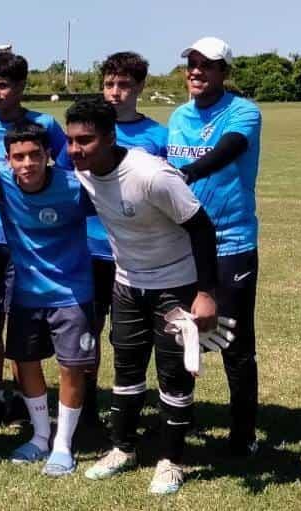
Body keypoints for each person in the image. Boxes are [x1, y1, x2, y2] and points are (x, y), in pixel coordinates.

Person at [66, 98, 219, 495]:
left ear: (110, 136)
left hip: (176, 285)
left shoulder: (151, 175)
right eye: (70, 140)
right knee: (127, 369)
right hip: (127, 284)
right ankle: (123, 449)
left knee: (173, 375)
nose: (75, 149)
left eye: (85, 140)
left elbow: (202, 228)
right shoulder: (82, 172)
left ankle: (171, 461)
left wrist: (205, 294)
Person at [167, 37, 263, 457]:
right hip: (183, 244)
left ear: (225, 72)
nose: (196, 71)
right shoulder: (177, 116)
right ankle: (179, 423)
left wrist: (184, 173)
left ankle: (243, 435)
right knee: (182, 332)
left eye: (207, 65)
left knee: (234, 342)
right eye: (191, 64)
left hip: (231, 242)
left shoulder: (244, 111)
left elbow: (229, 150)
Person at [0, 51, 71, 422]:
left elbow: (68, 172)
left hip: (27, 242)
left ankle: (27, 399)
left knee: (24, 323)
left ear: (21, 86)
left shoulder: (44, 125)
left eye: (3, 85)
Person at [0, 123, 96, 476]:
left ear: (48, 155)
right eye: (18, 157)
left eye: (35, 155)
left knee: (72, 367)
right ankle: (40, 437)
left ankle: (64, 444)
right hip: (25, 293)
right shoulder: (1, 184)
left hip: (72, 293)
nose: (27, 163)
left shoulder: (74, 187)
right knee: (25, 363)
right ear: (8, 161)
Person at [84, 51, 170, 424]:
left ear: (139, 88)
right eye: (109, 84)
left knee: (128, 339)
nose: (114, 92)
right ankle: (85, 406)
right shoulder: (86, 131)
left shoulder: (158, 136)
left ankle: (127, 409)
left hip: (137, 256)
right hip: (90, 249)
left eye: (123, 85)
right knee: (87, 331)